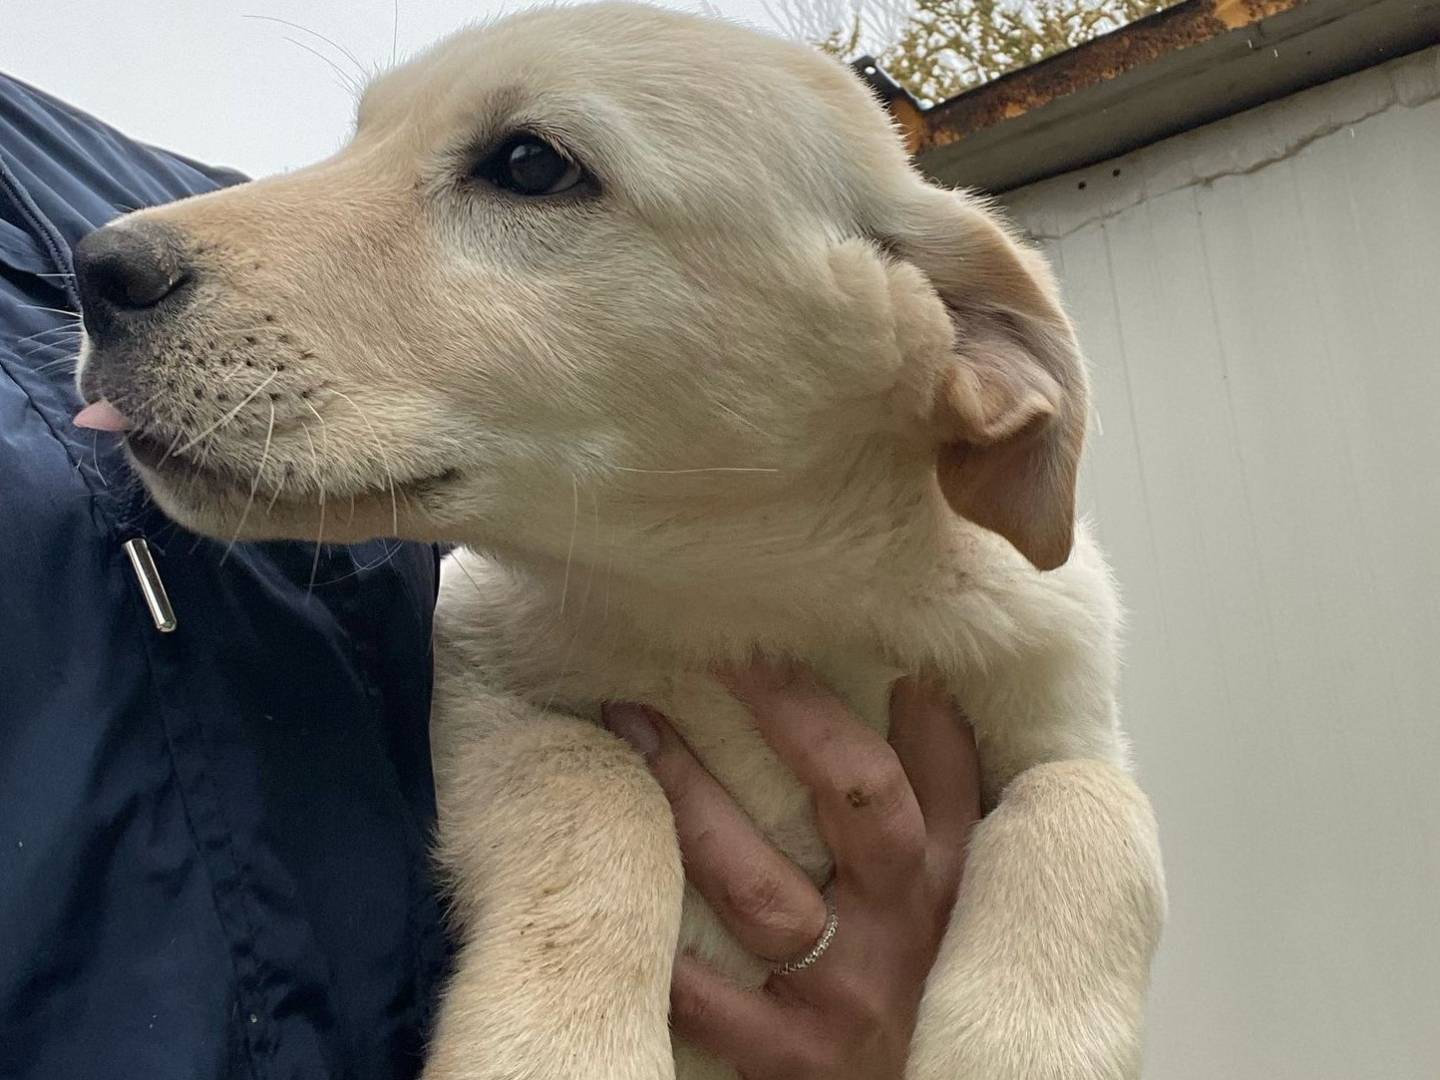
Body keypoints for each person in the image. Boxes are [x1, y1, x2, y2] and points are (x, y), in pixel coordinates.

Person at [0, 71, 981, 1079]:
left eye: (529, 168)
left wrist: (899, 1021)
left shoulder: (127, 192)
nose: (112, 268)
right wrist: (579, 905)